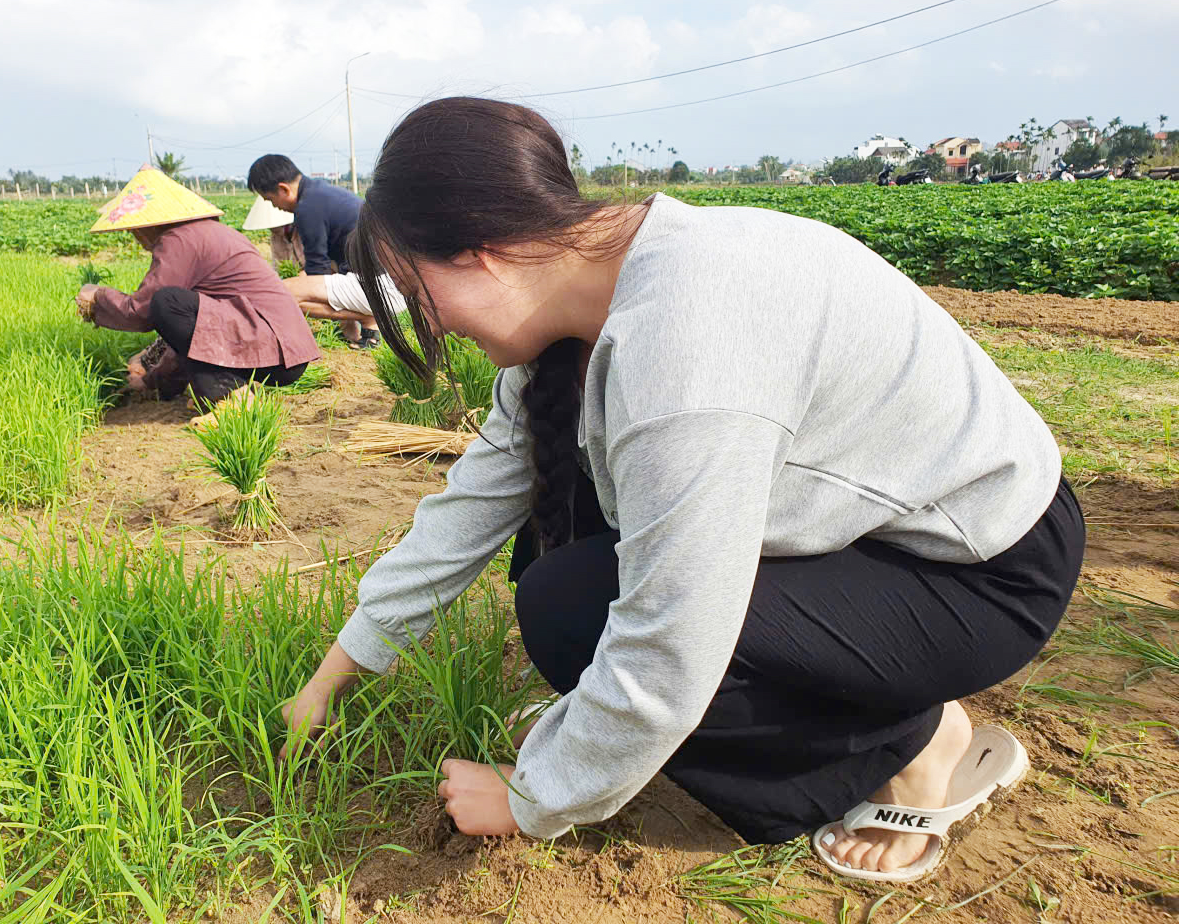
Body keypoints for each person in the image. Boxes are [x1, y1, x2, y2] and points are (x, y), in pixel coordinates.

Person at [278, 98, 1084, 884]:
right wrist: (332, 678)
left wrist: (533, 797)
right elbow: (468, 508)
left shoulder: (688, 341)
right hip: (863, 527)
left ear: (482, 251)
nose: (436, 324)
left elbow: (672, 640)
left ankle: (912, 746)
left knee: (572, 614)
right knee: (558, 518)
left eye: (418, 293)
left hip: (975, 566)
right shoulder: (590, 292)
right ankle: (870, 717)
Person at [75, 166, 319, 417]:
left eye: (133, 230)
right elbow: (195, 335)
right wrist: (153, 380)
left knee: (165, 301)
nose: (136, 237)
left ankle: (233, 398)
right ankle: (224, 393)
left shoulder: (179, 240)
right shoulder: (208, 232)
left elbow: (143, 311)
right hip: (286, 350)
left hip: (273, 346)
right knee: (173, 306)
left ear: (145, 226)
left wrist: (97, 297)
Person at [246, 154, 382, 349]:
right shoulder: (318, 192)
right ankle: (356, 327)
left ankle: (368, 316)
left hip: (379, 287)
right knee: (312, 279)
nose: (274, 206)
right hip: (384, 279)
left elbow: (317, 270)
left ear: (283, 189)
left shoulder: (308, 208)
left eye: (270, 200)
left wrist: (299, 280)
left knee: (285, 292)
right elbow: (326, 264)